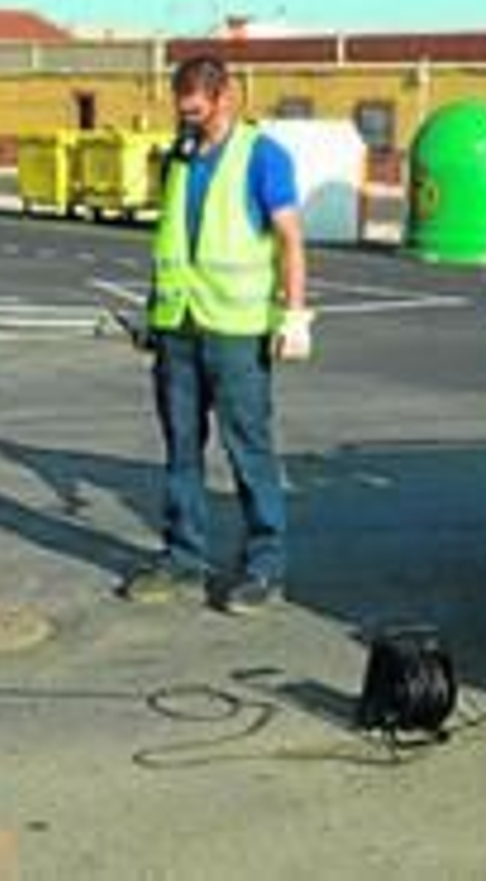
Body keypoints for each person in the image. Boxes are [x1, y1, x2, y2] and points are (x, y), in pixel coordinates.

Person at [119, 55, 312, 615]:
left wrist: (295, 313)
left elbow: (290, 238)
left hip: (236, 333)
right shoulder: (179, 156)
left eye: (197, 112)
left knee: (249, 451)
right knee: (181, 451)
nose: (188, 121)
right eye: (182, 112)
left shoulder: (262, 156)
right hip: (178, 329)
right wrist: (154, 315)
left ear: (226, 97)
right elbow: (172, 242)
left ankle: (264, 566)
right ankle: (183, 559)